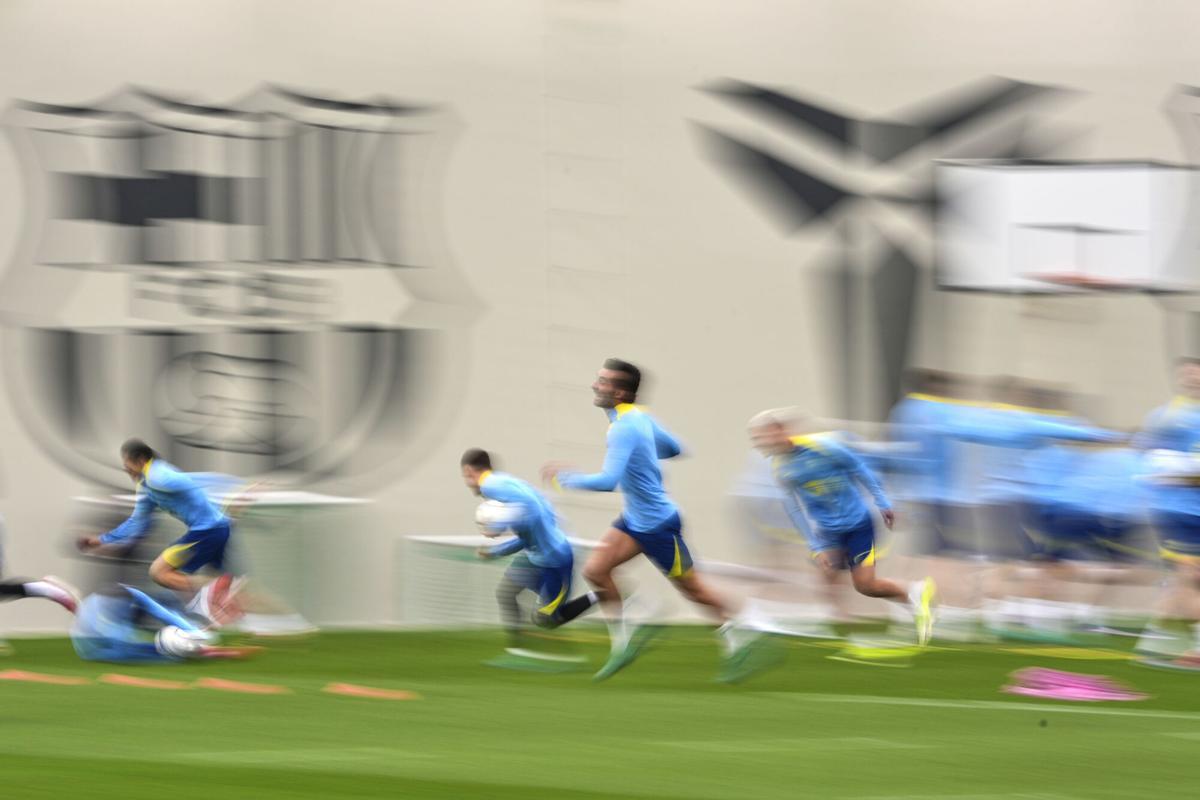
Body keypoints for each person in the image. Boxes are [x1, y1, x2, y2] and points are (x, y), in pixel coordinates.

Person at [541, 358, 740, 680]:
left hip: (659, 525)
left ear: (619, 393)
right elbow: (676, 448)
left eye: (603, 382)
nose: (595, 385)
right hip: (636, 520)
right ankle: (624, 642)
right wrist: (644, 452)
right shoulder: (637, 417)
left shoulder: (624, 427)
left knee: (694, 591)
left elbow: (608, 481)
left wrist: (564, 479)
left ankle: (739, 635)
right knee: (596, 570)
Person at [747, 408, 937, 644]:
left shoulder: (824, 447)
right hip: (827, 530)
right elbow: (794, 509)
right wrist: (815, 545)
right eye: (756, 439)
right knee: (826, 572)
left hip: (858, 524)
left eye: (762, 436)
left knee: (866, 586)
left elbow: (860, 469)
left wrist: (884, 504)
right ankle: (837, 619)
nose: (760, 443)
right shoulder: (780, 467)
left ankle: (912, 593)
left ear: (779, 431)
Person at [77, 439, 239, 619]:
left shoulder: (158, 476)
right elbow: (136, 524)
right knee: (219, 582)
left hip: (208, 531)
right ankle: (247, 618)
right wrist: (100, 540)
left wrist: (236, 488)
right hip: (214, 529)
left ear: (139, 460)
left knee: (159, 572)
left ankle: (208, 593)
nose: (125, 468)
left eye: (126, 463)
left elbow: (194, 481)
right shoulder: (146, 485)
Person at [461, 448, 595, 664]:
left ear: (470, 471)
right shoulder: (499, 482)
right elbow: (532, 519)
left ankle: (600, 594)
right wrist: (496, 550)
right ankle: (518, 649)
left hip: (555, 560)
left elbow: (531, 508)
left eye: (466, 476)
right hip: (534, 554)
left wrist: (498, 525)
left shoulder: (491, 486)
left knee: (549, 619)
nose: (467, 483)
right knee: (507, 593)